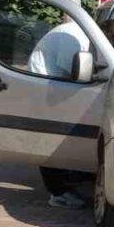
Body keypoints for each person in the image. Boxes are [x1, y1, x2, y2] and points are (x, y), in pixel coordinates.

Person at [29, 18, 92, 208]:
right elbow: (71, 71)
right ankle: (58, 192)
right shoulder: (74, 35)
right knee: (52, 141)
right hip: (48, 90)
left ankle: (66, 180)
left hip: (52, 88)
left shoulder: (80, 32)